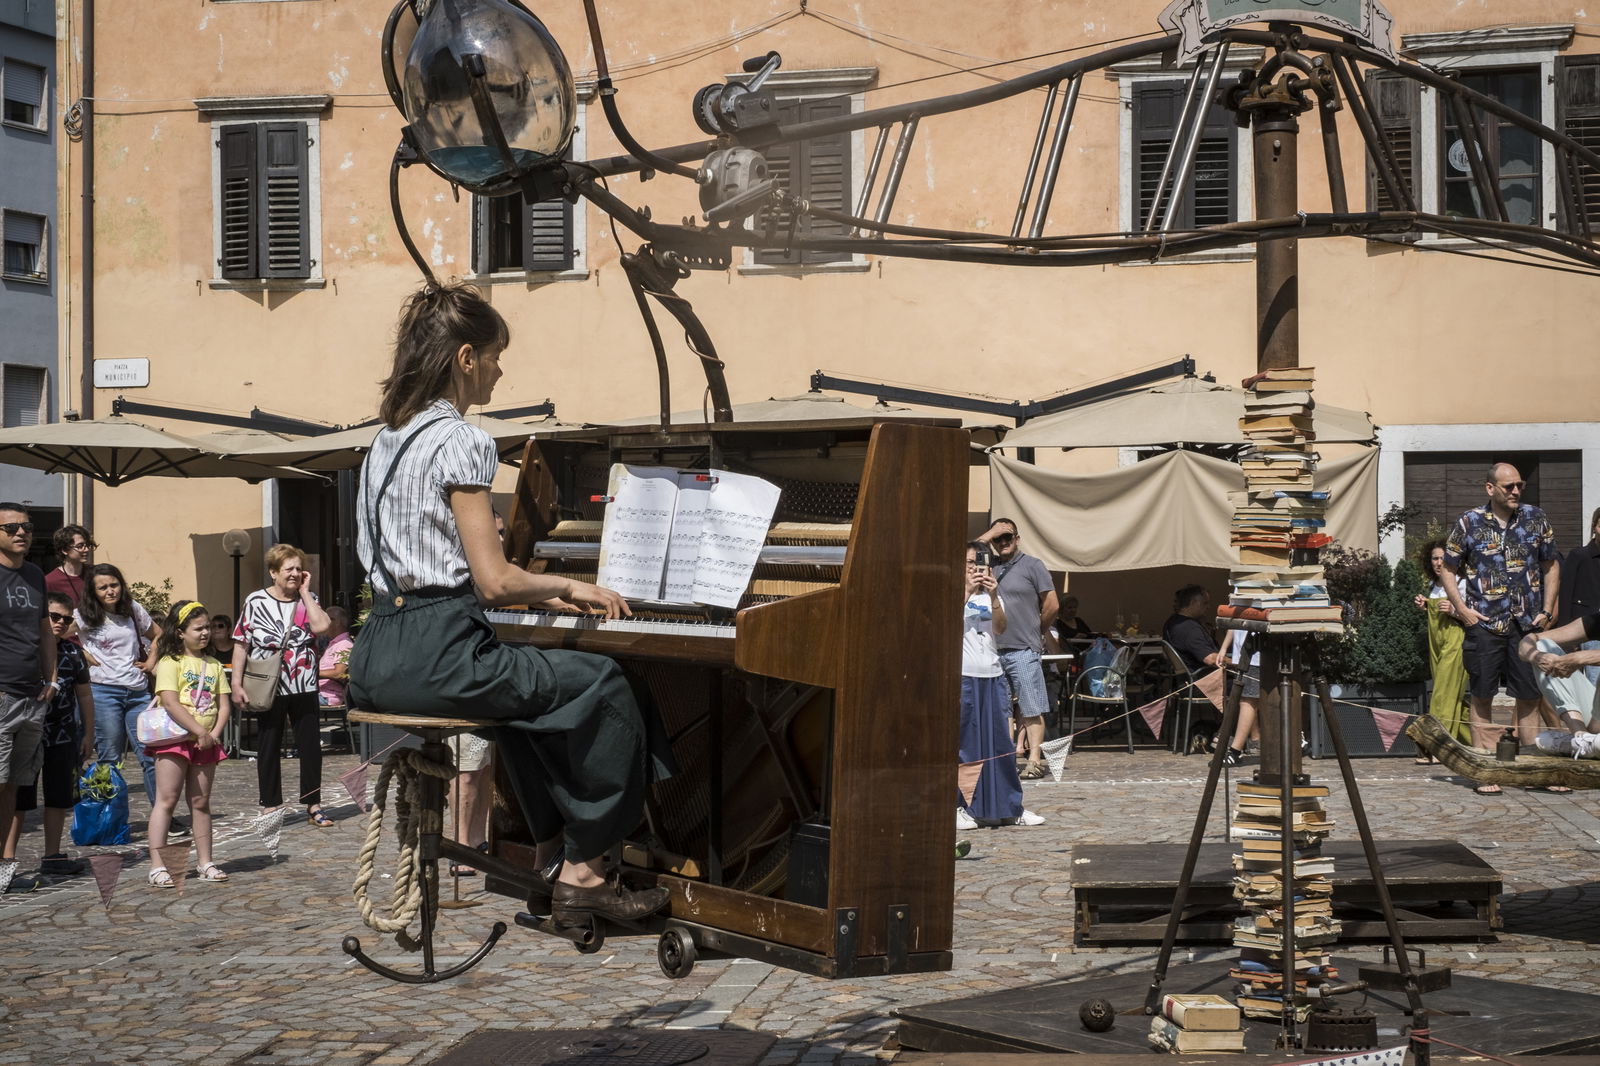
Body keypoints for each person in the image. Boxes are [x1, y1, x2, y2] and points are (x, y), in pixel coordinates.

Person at [348, 283, 671, 931]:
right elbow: (493, 581)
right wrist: (569, 588)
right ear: (466, 357)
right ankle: (585, 872)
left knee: (526, 706)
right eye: (495, 355)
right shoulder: (462, 440)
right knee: (606, 686)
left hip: (377, 650)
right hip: (438, 654)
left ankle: (550, 854)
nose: (501, 369)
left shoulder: (386, 439)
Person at [1441, 463, 1562, 796]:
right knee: (1482, 696)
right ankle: (1485, 770)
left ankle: (1534, 768)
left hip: (1527, 625)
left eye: (1519, 485)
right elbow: (1448, 568)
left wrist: (1549, 609)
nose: (1515, 491)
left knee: (1530, 697)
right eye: (1508, 486)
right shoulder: (1469, 522)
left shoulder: (1536, 519)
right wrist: (1462, 609)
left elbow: (1551, 565)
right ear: (1489, 488)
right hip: (1485, 623)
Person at [232, 544, 333, 826]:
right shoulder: (255, 601)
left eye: (298, 568)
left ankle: (313, 803)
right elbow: (241, 643)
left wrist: (304, 593)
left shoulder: (307, 598)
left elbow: (322, 626)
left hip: (304, 683)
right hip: (269, 684)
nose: (294, 573)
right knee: (268, 743)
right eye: (288, 569)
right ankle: (270, 804)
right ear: (273, 572)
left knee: (311, 746)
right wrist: (236, 683)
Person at [73, 563, 172, 830]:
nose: (110, 591)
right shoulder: (84, 615)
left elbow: (159, 635)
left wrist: (151, 660)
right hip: (103, 691)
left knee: (151, 755)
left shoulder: (133, 609)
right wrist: (82, 654)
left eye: (114, 585)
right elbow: (56, 633)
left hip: (137, 692)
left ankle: (162, 816)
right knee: (110, 757)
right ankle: (109, 821)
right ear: (93, 592)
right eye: (103, 587)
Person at [145, 601, 232, 886]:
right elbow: (170, 702)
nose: (205, 633)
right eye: (198, 628)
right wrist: (197, 730)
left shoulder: (214, 665)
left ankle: (205, 861)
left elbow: (224, 704)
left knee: (200, 802)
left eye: (207, 627)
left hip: (205, 742)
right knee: (166, 800)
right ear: (181, 632)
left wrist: (214, 732)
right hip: (175, 740)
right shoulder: (171, 662)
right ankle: (158, 866)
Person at [10, 594, 96, 878]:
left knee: (59, 796)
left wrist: (88, 734)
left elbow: (84, 695)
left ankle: (52, 855)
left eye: (66, 619)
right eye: (54, 617)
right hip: (26, 732)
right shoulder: (26, 649)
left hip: (62, 734)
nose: (59, 623)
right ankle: (7, 858)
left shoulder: (73, 653)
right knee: (19, 797)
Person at [957, 542, 1040, 830]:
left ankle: (1011, 806)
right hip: (964, 676)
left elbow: (1001, 629)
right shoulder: (953, 593)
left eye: (979, 562)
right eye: (969, 562)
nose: (975, 568)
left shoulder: (993, 594)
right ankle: (963, 805)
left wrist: (992, 594)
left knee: (1001, 745)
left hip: (993, 675)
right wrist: (967, 591)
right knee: (967, 744)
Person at [976, 518, 1059, 780]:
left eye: (1007, 537)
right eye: (997, 539)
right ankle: (1006, 758)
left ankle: (1034, 759)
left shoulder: (1032, 565)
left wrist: (1038, 630)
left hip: (1023, 647)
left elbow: (1052, 604)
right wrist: (989, 534)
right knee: (1000, 710)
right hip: (992, 649)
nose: (1002, 542)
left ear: (1018, 539)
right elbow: (966, 553)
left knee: (1030, 706)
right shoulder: (987, 567)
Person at [0, 503, 55, 894]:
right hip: (0, 694)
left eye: (27, 526)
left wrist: (51, 679)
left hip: (33, 695)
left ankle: (4, 867)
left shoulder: (35, 574)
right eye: (12, 527)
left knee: (14, 787)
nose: (22, 533)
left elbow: (45, 631)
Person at [1413, 538, 1472, 758]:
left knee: (1442, 694)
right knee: (1452, 697)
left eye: (1443, 558)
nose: (1439, 562)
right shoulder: (1434, 586)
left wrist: (1455, 611)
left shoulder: (1462, 582)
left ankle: (1437, 746)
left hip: (1456, 639)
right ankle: (1479, 742)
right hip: (1436, 642)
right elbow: (1435, 611)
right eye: (1435, 558)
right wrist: (1425, 604)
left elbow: (1474, 615)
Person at [1161, 585, 1223, 752]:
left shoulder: (1171, 623)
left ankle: (1231, 734)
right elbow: (1210, 659)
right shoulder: (1189, 628)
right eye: (1205, 603)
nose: (1207, 607)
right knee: (1247, 689)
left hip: (1185, 682)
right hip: (1199, 683)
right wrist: (1238, 661)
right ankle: (1239, 737)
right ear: (1194, 602)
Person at [1557, 507, 1600, 686]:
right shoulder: (1579, 556)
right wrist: (1567, 638)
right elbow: (1566, 595)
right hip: (1587, 628)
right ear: (1594, 527)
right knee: (1593, 681)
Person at [44, 524, 93, 609]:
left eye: (87, 545)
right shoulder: (50, 581)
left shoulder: (95, 573)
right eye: (80, 546)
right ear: (65, 550)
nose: (86, 550)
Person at [317, 607, 353, 707]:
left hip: (328, 696)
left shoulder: (344, 644)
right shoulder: (334, 643)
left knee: (292, 700)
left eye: (326, 619)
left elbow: (339, 673)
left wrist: (314, 673)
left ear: (337, 622)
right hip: (321, 692)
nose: (323, 623)